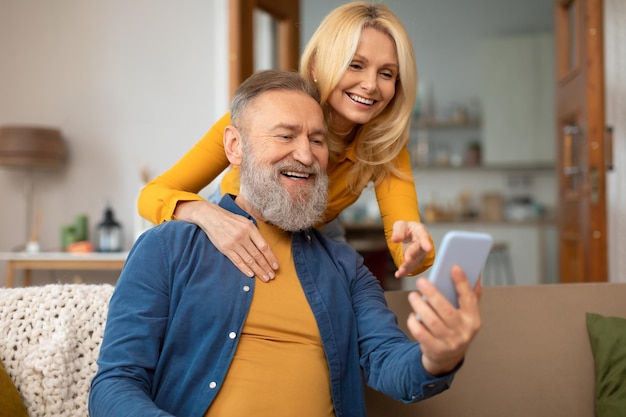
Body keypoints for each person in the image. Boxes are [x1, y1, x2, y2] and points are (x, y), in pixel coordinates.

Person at [89, 70, 481, 417]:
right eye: (285, 135)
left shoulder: (345, 267)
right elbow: (114, 386)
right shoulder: (166, 249)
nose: (306, 155)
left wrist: (438, 356)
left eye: (317, 140)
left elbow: (388, 362)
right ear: (234, 146)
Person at [137, 1, 435, 282]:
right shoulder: (259, 113)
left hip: (312, 231)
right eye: (355, 65)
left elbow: (405, 240)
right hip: (236, 219)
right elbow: (152, 194)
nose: (371, 85)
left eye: (386, 73)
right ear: (318, 66)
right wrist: (207, 215)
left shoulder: (384, 145)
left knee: (349, 294)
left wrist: (414, 252)